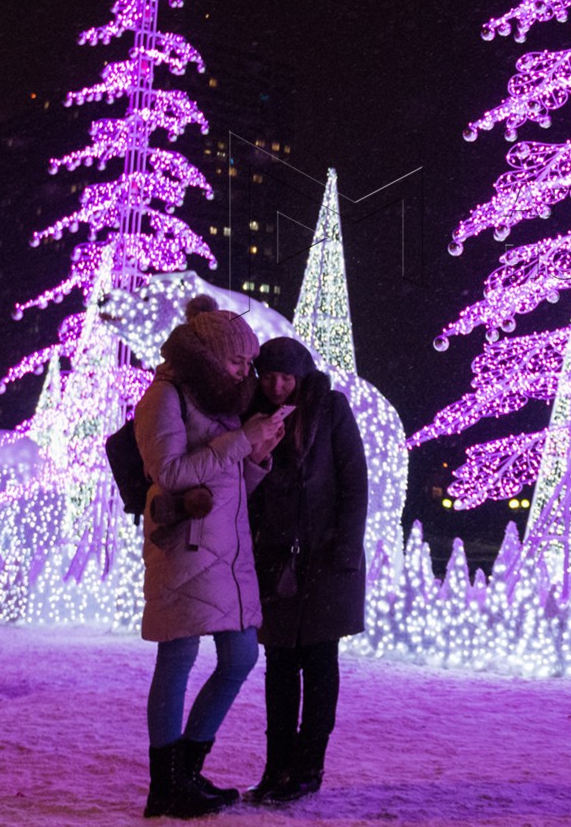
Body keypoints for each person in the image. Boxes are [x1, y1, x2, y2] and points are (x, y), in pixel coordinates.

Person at [135, 295, 288, 819]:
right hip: (185, 549)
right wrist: (241, 441)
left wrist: (257, 454)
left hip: (226, 552)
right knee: (177, 658)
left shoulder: (220, 402)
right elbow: (171, 474)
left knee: (241, 657)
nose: (246, 372)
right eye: (237, 362)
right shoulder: (164, 397)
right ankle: (167, 786)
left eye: (249, 363)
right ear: (207, 356)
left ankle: (187, 773)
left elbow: (226, 481)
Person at [245, 336, 368, 805]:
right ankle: (276, 768)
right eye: (270, 376)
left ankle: (308, 767)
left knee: (319, 666)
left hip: (326, 560)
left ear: (302, 376)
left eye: (286, 377)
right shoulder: (253, 416)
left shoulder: (330, 408)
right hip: (275, 562)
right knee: (278, 667)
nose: (277, 386)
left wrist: (345, 551)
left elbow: (354, 481)